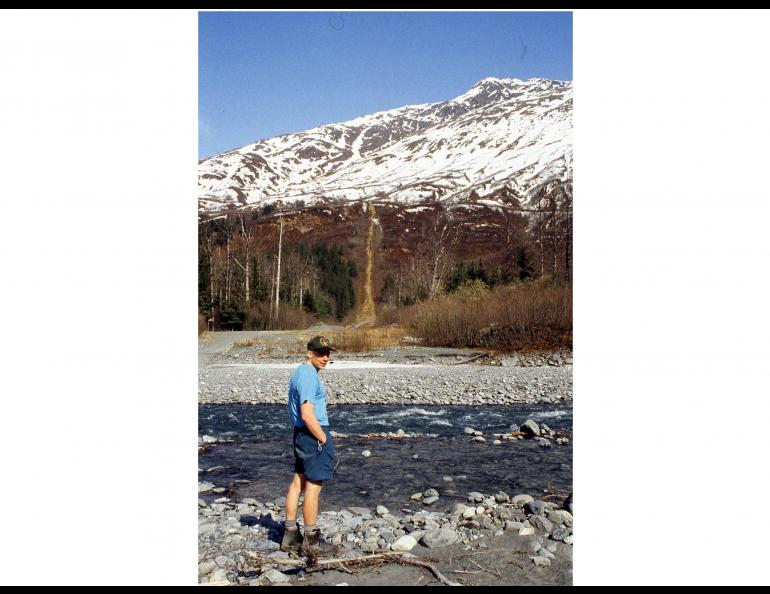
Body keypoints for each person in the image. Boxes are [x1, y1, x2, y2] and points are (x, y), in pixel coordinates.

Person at [280, 335, 338, 564]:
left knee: (298, 481)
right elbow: (307, 414)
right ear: (309, 353)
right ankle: (311, 541)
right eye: (320, 353)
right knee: (313, 488)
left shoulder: (301, 372)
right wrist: (323, 438)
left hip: (301, 434)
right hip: (312, 434)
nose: (325, 357)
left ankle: (290, 535)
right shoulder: (308, 377)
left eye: (328, 353)